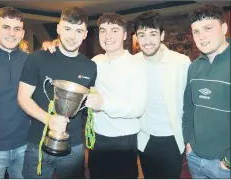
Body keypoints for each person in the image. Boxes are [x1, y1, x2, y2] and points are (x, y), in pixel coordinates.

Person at [17, 7, 97, 178]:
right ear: (59, 28)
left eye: (78, 31)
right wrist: (49, 119)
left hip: (74, 147)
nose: (72, 36)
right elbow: (23, 98)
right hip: (37, 143)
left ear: (85, 34)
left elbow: (90, 101)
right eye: (67, 29)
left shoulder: (91, 67)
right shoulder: (37, 58)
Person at [84, 12, 147, 179]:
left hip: (123, 140)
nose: (108, 36)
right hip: (97, 139)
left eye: (114, 30)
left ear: (125, 35)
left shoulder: (137, 64)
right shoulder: (95, 61)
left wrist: (104, 104)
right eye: (103, 31)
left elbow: (138, 108)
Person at [133, 11, 191, 178]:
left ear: (162, 35)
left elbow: (190, 103)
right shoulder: (132, 62)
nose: (147, 41)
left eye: (153, 34)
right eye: (142, 35)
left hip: (173, 138)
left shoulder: (180, 62)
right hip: (144, 138)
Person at [182, 4, 230, 179]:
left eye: (208, 28)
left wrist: (228, 160)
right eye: (196, 31)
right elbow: (189, 109)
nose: (201, 37)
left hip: (225, 166)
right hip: (195, 158)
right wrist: (188, 142)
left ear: (224, 28)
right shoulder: (194, 67)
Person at [0, 7, 30, 179]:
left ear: (22, 33)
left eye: (17, 29)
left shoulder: (31, 61)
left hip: (25, 145)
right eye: (6, 27)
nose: (12, 33)